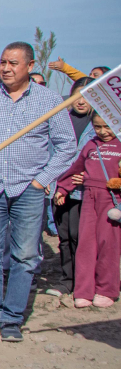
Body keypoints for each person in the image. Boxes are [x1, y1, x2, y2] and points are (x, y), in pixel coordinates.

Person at [0, 42, 75, 342]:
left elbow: (67, 145)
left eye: (13, 63)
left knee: (25, 256)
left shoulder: (50, 100)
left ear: (30, 65)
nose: (6, 68)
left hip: (29, 188)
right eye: (2, 62)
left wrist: (43, 179)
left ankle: (12, 317)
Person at [54, 113, 121, 308]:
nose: (103, 132)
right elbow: (76, 168)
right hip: (89, 198)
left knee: (108, 244)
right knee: (86, 243)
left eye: (107, 127)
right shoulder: (91, 145)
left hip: (112, 199)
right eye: (98, 127)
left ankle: (106, 289)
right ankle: (83, 291)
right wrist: (63, 188)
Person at [54, 77, 96, 295]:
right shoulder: (60, 119)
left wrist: (90, 175)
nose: (81, 101)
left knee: (81, 235)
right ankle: (67, 278)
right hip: (58, 186)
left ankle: (85, 280)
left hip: (85, 189)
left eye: (88, 96)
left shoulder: (99, 125)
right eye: (77, 95)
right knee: (64, 236)